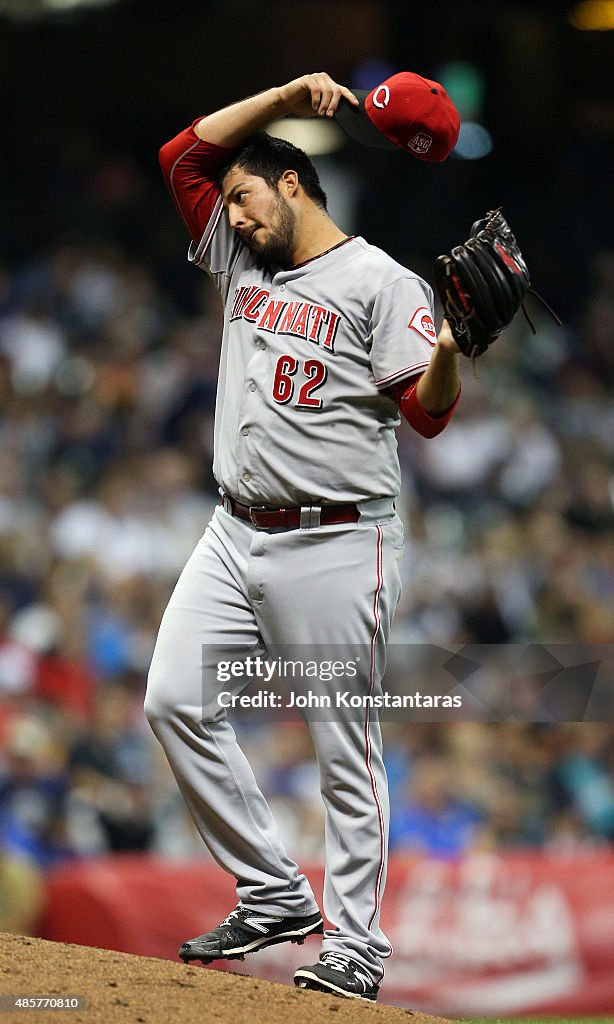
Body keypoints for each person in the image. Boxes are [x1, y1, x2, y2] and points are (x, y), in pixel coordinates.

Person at [145, 71, 461, 1002]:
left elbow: (429, 417)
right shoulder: (242, 259)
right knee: (173, 700)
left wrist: (445, 356)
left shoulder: (380, 282)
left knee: (341, 744)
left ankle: (357, 947)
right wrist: (283, 95)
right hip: (232, 530)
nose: (232, 219)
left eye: (245, 198)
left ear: (293, 186)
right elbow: (182, 155)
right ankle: (275, 891)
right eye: (229, 204)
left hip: (335, 540)